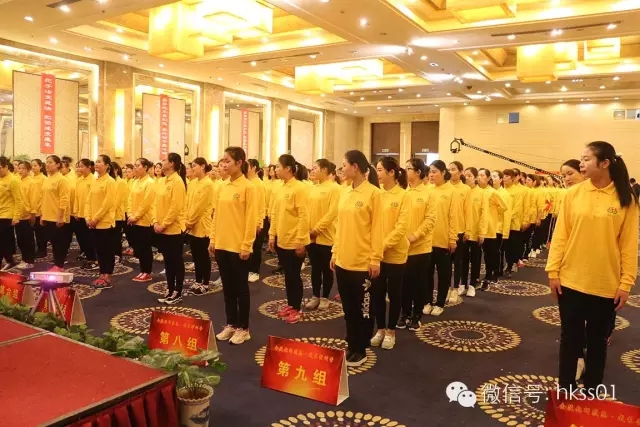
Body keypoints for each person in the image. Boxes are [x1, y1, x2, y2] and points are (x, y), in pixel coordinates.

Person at [546, 141, 638, 396]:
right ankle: (565, 391)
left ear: (605, 163)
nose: (581, 164)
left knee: (598, 343)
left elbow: (629, 245)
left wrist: (626, 283)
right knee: (570, 340)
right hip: (571, 280)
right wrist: (553, 272)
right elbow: (561, 235)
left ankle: (592, 394)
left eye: (586, 159)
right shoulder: (573, 194)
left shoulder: (625, 198)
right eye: (581, 159)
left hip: (606, 283)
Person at [331, 150, 383, 367]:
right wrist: (335, 253)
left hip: (363, 263)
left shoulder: (374, 194)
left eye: (344, 165)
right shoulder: (344, 192)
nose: (341, 169)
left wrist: (375, 259)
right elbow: (339, 227)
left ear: (356, 167)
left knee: (363, 309)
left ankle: (361, 348)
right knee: (349, 308)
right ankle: (352, 343)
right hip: (343, 260)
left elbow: (378, 230)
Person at [210, 147, 257, 345]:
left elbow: (251, 219)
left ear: (239, 163)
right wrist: (213, 239)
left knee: (240, 289)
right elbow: (216, 216)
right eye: (223, 160)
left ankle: (243, 328)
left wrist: (246, 245)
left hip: (238, 246)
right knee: (228, 288)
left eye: (228, 161)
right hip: (222, 244)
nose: (224, 164)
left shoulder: (248, 187)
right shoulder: (222, 186)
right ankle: (231, 323)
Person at [370, 157, 410, 350]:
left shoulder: (404, 196)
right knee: (377, 293)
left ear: (391, 172)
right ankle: (380, 328)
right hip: (377, 255)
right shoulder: (376, 194)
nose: (376, 173)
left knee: (394, 294)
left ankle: (391, 330)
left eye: (379, 170)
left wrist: (382, 245)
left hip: (395, 254)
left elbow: (401, 227)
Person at [268, 154, 310, 324]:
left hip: (294, 240)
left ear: (288, 168)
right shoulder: (281, 187)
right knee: (288, 275)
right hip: (282, 239)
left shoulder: (299, 188)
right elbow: (275, 214)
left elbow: (303, 216)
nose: (275, 170)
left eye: (278, 167)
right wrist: (272, 235)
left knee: (294, 275)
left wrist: (301, 240)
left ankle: (297, 309)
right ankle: (291, 304)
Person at [398, 158, 436, 331]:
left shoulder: (429, 193)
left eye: (408, 168)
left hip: (421, 246)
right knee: (404, 283)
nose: (405, 171)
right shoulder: (402, 192)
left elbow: (430, 220)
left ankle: (416, 315)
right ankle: (404, 313)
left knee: (419, 283)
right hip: (402, 246)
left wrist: (415, 236)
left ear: (418, 172)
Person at [423, 160, 458, 316]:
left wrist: (452, 239)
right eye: (430, 172)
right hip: (426, 240)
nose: (431, 175)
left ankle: (440, 303)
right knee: (427, 273)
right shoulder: (427, 190)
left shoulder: (451, 191)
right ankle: (427, 301)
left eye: (434, 172)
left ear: (443, 173)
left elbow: (454, 217)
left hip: (443, 240)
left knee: (444, 273)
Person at [305, 159, 340, 310]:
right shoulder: (313, 188)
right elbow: (307, 211)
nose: (312, 170)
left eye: (315, 168)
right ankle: (315, 296)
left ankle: (325, 297)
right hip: (311, 237)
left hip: (327, 236)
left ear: (325, 170)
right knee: (315, 269)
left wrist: (316, 230)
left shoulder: (335, 188)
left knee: (326, 270)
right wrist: (308, 230)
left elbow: (332, 213)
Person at [155, 153, 187, 305]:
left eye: (164, 160)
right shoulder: (162, 181)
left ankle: (177, 291)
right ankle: (170, 288)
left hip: (173, 229)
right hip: (162, 228)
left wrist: (164, 224)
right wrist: (155, 221)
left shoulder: (177, 181)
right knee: (167, 261)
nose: (162, 162)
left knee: (176, 261)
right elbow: (156, 203)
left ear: (172, 163)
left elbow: (176, 207)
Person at [85, 155, 117, 289]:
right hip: (93, 222)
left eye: (99, 162)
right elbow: (88, 201)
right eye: (96, 162)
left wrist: (96, 219)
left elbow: (107, 204)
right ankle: (101, 273)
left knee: (107, 250)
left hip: (105, 222)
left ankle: (108, 276)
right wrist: (87, 217)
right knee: (99, 250)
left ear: (107, 166)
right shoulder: (95, 180)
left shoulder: (110, 182)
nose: (96, 164)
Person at [186, 157, 214, 295]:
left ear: (202, 166)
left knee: (203, 256)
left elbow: (200, 208)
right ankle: (198, 280)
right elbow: (188, 203)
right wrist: (186, 220)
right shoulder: (193, 183)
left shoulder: (208, 184)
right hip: (191, 225)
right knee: (196, 256)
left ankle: (205, 283)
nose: (192, 168)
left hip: (202, 225)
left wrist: (189, 222)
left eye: (194, 166)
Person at [477, 168, 507, 289]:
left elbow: (503, 207)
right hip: (478, 227)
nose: (479, 177)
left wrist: (493, 215)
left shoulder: (493, 192)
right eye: (478, 175)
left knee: (491, 252)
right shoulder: (477, 191)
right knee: (483, 253)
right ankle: (484, 275)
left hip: (490, 228)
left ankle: (491, 274)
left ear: (488, 178)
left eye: (482, 175)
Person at [41, 155, 71, 272]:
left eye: (50, 162)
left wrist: (60, 216)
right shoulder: (47, 179)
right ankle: (57, 264)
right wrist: (43, 215)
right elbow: (44, 198)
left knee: (59, 243)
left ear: (58, 165)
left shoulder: (62, 180)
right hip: (48, 216)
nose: (47, 164)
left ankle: (59, 265)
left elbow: (64, 199)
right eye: (46, 162)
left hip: (58, 216)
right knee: (53, 242)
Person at [127, 158, 156, 283]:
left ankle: (147, 272)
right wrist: (130, 214)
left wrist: (136, 216)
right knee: (138, 246)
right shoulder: (135, 182)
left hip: (145, 220)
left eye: (138, 165)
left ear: (145, 167)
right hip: (134, 219)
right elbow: (129, 199)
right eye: (135, 165)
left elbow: (146, 203)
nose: (135, 167)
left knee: (145, 247)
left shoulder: (150, 183)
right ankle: (142, 270)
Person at [459, 167, 483, 297]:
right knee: (463, 258)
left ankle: (473, 284)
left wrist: (482, 232)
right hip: (462, 231)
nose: (467, 178)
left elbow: (484, 214)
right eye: (465, 175)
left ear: (475, 178)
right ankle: (463, 284)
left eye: (470, 176)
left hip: (476, 231)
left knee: (475, 259)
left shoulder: (481, 193)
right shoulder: (462, 191)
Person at [448, 161, 470, 300]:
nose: (450, 172)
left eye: (453, 169)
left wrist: (467, 230)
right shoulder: (445, 187)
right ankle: (446, 289)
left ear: (460, 172)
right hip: (446, 230)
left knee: (458, 261)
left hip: (460, 230)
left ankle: (455, 288)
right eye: (449, 169)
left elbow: (468, 211)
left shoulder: (466, 189)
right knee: (445, 264)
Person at [73, 159, 98, 270]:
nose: (79, 169)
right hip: (80, 214)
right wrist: (76, 211)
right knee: (82, 239)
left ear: (89, 167)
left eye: (82, 166)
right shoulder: (79, 181)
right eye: (78, 166)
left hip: (90, 215)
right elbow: (76, 198)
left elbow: (94, 199)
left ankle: (94, 259)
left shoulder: (94, 180)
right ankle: (89, 258)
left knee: (90, 239)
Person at [247, 159, 267, 283]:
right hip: (248, 220)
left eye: (247, 165)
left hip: (256, 220)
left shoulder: (258, 184)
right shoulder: (247, 182)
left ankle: (255, 271)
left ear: (254, 168)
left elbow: (261, 205)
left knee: (256, 247)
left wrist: (259, 222)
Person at [0, 157, 21, 271]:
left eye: (0, 168)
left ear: (6, 167)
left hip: (7, 215)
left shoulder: (13, 180)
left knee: (5, 240)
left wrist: (16, 216)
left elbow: (18, 200)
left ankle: (10, 261)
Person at [15, 161, 36, 269]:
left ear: (28, 170)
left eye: (23, 168)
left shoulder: (31, 182)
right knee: (20, 239)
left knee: (28, 239)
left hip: (27, 215)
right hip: (18, 215)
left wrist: (32, 214)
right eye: (19, 168)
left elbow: (33, 200)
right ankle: (24, 258)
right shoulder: (17, 181)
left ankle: (30, 260)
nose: (20, 170)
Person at [111, 162, 129, 264]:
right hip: (108, 215)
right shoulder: (109, 181)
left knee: (116, 237)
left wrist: (110, 211)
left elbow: (118, 200)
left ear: (116, 170)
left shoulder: (121, 182)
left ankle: (118, 255)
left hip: (117, 214)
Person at [30, 159, 47, 258]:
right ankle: (35, 249)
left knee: (40, 233)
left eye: (35, 165)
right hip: (31, 209)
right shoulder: (30, 178)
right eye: (32, 165)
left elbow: (44, 196)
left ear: (40, 166)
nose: (33, 167)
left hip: (40, 208)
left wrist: (41, 209)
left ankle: (42, 250)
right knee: (32, 232)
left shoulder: (44, 179)